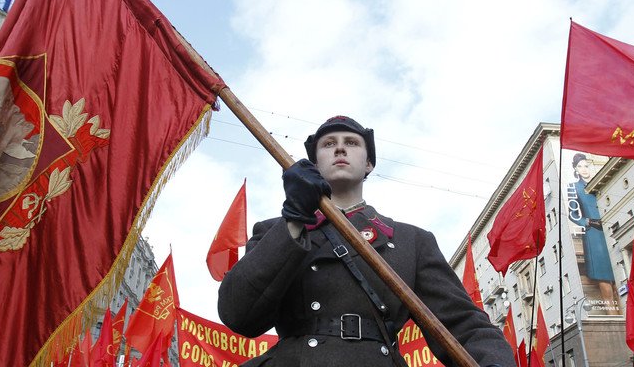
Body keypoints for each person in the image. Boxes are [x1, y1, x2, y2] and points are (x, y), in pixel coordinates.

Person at [219, 116, 513, 366]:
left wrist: (492, 361)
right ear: (313, 164)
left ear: (369, 163)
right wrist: (295, 219)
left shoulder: (412, 241)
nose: (340, 148)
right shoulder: (276, 230)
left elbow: (462, 324)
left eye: (352, 142)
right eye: (328, 144)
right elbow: (239, 315)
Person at [567, 153, 618, 314]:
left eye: (586, 165)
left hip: (612, 228)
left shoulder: (604, 180)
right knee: (604, 278)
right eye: (580, 166)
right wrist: (588, 222)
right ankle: (613, 317)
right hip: (594, 236)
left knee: (619, 272)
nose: (584, 169)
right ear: (575, 169)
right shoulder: (574, 187)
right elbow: (572, 213)